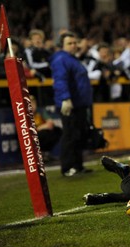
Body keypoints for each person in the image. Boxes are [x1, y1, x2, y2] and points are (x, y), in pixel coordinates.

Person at [49, 31, 93, 177]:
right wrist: (65, 99)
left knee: (78, 135)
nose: (74, 45)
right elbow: (61, 80)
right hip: (71, 104)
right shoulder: (61, 59)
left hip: (79, 104)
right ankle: (67, 167)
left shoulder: (71, 59)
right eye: (70, 43)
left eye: (75, 42)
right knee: (70, 135)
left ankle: (78, 165)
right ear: (61, 45)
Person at [30, 95, 62, 160]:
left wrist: (39, 128)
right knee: (38, 135)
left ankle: (46, 153)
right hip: (32, 136)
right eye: (30, 103)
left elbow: (50, 123)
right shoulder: (24, 115)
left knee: (57, 131)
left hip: (40, 132)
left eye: (33, 103)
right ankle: (37, 154)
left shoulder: (40, 111)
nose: (32, 106)